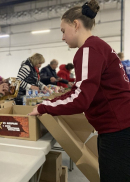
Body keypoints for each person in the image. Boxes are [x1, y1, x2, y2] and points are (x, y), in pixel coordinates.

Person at [29, 1, 130, 181]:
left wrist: (44, 107)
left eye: (63, 30)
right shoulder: (99, 46)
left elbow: (81, 99)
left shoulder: (88, 50)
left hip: (117, 130)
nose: (62, 37)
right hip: (120, 125)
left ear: (75, 25)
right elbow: (79, 90)